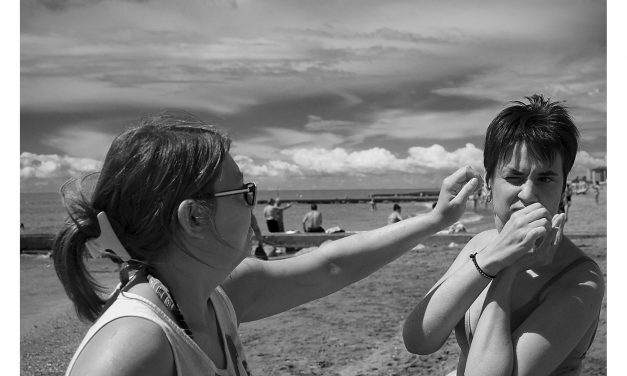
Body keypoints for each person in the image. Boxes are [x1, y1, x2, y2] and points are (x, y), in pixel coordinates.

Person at [53, 109, 484, 376]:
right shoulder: (134, 346)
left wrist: (436, 219)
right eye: (244, 193)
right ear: (194, 217)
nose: (253, 205)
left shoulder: (213, 299)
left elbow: (331, 264)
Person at [402, 95, 604, 376]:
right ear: (488, 181)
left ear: (563, 186)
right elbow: (419, 339)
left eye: (545, 178)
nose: (528, 194)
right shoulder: (480, 245)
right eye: (514, 177)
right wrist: (491, 259)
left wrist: (509, 270)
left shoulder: (581, 279)